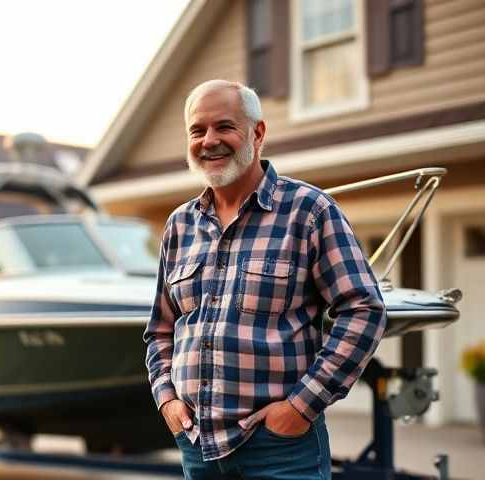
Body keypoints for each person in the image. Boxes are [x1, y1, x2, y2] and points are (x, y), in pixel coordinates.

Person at [143, 79, 387, 480]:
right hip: (198, 446)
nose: (209, 140)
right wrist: (168, 400)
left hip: (281, 450)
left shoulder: (309, 211)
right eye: (197, 130)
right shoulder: (178, 225)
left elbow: (364, 310)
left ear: (257, 133)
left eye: (224, 126)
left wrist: (300, 407)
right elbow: (160, 330)